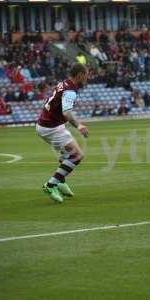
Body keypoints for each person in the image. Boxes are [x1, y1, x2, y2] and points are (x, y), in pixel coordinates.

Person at [36, 63, 89, 203]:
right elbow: (67, 113)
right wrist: (79, 126)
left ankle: (61, 182)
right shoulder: (70, 91)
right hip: (51, 127)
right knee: (77, 155)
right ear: (80, 75)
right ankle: (51, 185)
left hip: (47, 124)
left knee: (67, 155)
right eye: (86, 75)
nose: (87, 78)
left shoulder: (64, 83)